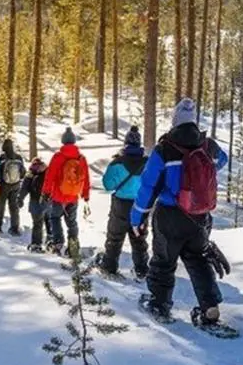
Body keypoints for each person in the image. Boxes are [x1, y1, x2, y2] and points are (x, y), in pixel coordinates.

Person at [132, 99, 230, 324]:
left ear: (174, 121)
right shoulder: (208, 145)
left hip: (170, 216)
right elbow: (222, 160)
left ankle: (159, 304)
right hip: (200, 218)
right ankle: (210, 308)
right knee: (198, 260)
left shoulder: (165, 149)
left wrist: (138, 217)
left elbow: (148, 186)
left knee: (163, 262)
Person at [97, 126, 149, 278]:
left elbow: (108, 185)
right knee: (139, 238)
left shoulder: (117, 162)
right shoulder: (147, 163)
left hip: (120, 205)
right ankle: (141, 270)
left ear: (125, 142)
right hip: (140, 205)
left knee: (115, 237)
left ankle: (109, 267)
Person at [41, 127, 91, 257]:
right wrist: (86, 195)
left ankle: (58, 243)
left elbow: (49, 176)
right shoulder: (81, 158)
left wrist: (45, 193)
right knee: (72, 222)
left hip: (58, 196)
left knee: (55, 218)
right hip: (73, 197)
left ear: (63, 141)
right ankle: (73, 246)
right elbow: (86, 178)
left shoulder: (58, 157)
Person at [0, 138, 26, 235]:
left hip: (4, 185)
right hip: (15, 185)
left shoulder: (2, 158)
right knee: (14, 207)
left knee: (1, 206)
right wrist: (19, 182)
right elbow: (23, 172)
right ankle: (14, 228)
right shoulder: (19, 158)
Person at [19, 156, 48, 251]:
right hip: (47, 201)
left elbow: (24, 188)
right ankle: (51, 240)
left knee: (37, 223)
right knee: (48, 221)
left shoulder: (30, 173)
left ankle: (36, 243)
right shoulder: (47, 172)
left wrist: (20, 199)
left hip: (34, 201)